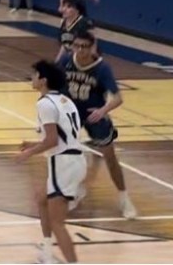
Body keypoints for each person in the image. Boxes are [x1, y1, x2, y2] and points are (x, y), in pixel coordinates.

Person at [15, 60, 86, 265]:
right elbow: (61, 136)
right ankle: (47, 254)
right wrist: (33, 144)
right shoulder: (65, 100)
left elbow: (52, 141)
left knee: (57, 223)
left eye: (35, 74)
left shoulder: (44, 104)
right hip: (74, 159)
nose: (32, 78)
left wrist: (28, 153)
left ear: (43, 80)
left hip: (63, 163)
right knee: (41, 198)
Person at [63, 31, 137, 220]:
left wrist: (103, 111)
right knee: (65, 155)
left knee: (110, 158)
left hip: (94, 115)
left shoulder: (102, 68)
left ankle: (124, 198)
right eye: (77, 46)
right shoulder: (66, 61)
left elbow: (118, 98)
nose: (80, 50)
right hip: (72, 113)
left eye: (84, 47)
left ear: (92, 47)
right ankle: (74, 191)